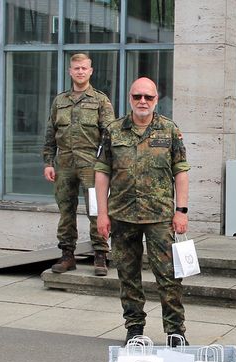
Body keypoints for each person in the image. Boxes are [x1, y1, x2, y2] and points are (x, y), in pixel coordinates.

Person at [95, 77, 190, 346]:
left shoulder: (169, 130)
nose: (142, 102)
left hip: (160, 217)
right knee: (128, 275)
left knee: (169, 276)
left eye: (148, 97)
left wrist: (181, 210)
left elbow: (181, 172)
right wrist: (102, 214)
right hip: (122, 215)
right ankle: (134, 328)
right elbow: (101, 174)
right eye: (137, 96)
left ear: (156, 99)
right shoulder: (113, 130)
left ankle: (175, 330)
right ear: (130, 98)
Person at [43, 53, 114, 276]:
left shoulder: (100, 100)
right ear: (70, 71)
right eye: (76, 68)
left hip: (92, 166)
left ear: (90, 71)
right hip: (64, 165)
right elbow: (50, 133)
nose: (80, 72)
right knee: (66, 211)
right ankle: (67, 256)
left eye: (84, 68)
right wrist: (48, 161)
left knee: (96, 210)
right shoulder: (60, 101)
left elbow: (110, 135)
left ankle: (100, 255)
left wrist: (107, 166)